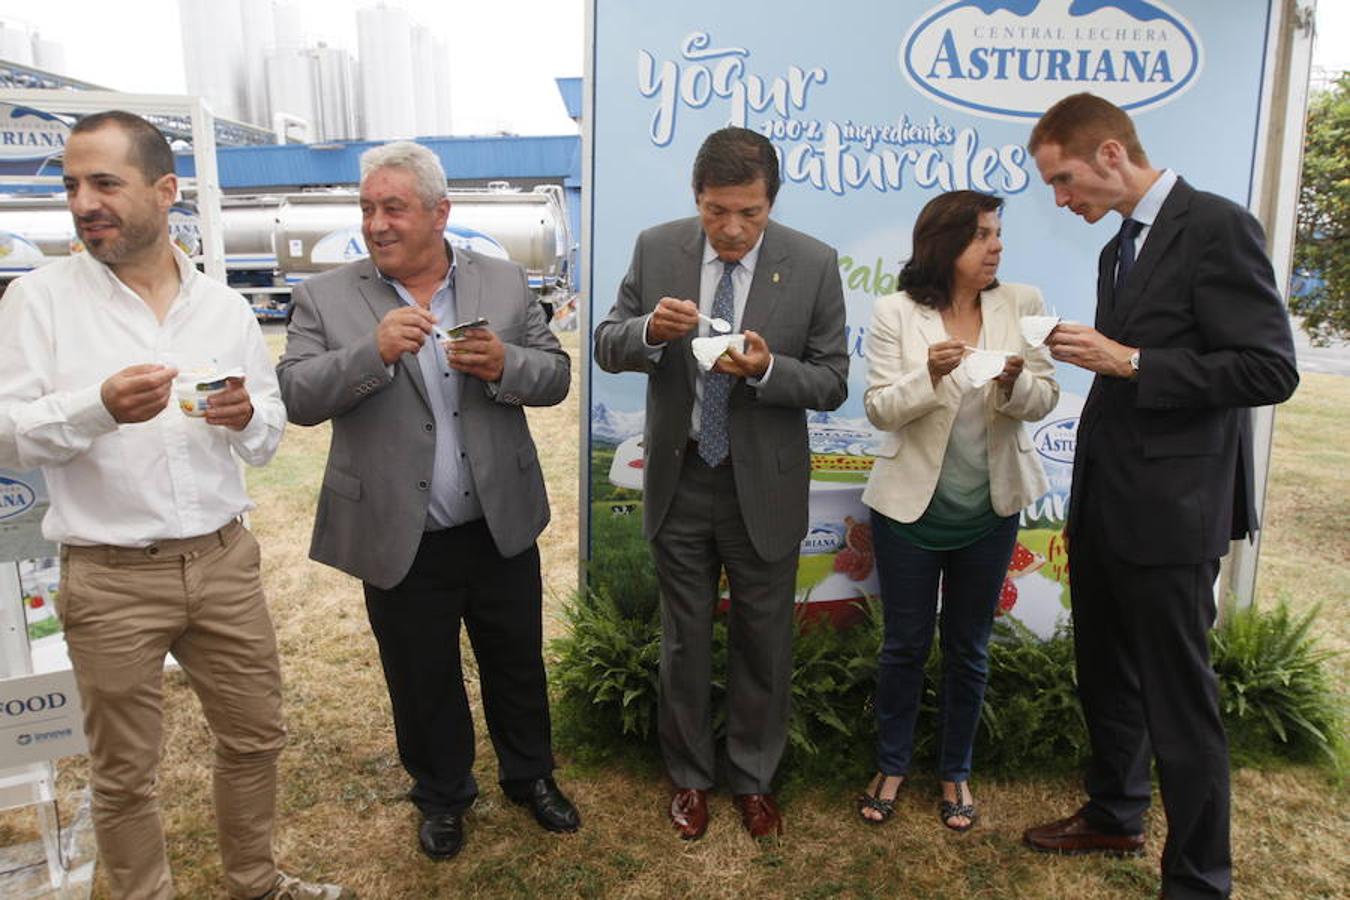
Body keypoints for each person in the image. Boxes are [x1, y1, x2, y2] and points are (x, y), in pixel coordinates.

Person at [0, 111, 349, 900]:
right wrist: (95, 407)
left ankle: (256, 882)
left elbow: (266, 433)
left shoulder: (221, 306)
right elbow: (7, 433)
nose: (84, 201)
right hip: (111, 574)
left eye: (104, 183)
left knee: (256, 737)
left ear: (165, 191)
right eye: (71, 185)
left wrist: (246, 419)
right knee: (124, 773)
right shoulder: (39, 300)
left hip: (223, 560)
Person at [1023, 93, 1298, 898]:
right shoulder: (1120, 250)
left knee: (1179, 701)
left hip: (1174, 517)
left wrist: (1133, 361)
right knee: (1104, 674)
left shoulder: (1217, 227)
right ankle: (1115, 812)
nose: (1062, 199)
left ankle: (1199, 878)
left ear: (1111, 154)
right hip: (1110, 505)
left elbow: (1269, 369)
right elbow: (1126, 370)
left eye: (1066, 179)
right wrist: (1107, 359)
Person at [276, 141, 577, 862]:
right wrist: (370, 353)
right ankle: (443, 795)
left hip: (497, 522)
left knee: (516, 661)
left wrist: (507, 364)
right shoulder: (327, 296)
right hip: (398, 531)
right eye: (368, 209)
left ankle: (529, 776)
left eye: (393, 208)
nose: (376, 224)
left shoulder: (502, 283)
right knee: (420, 675)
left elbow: (556, 375)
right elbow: (296, 396)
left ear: (440, 214)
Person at [593, 126, 848, 840]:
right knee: (684, 639)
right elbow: (608, 342)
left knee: (764, 641)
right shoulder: (655, 248)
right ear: (695, 197)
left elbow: (832, 381)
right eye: (715, 211)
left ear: (772, 202)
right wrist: (648, 329)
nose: (732, 230)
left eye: (749, 213)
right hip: (681, 480)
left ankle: (754, 777)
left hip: (762, 485)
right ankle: (688, 777)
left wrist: (768, 369)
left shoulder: (815, 263)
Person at [856, 190, 1059, 831]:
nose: (997, 246)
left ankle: (955, 773)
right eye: (983, 236)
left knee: (969, 649)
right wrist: (932, 376)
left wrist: (1012, 381)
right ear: (945, 245)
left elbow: (1046, 396)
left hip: (990, 514)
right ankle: (891, 765)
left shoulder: (1022, 303)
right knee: (904, 648)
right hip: (908, 517)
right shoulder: (895, 312)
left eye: (998, 234)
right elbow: (881, 409)